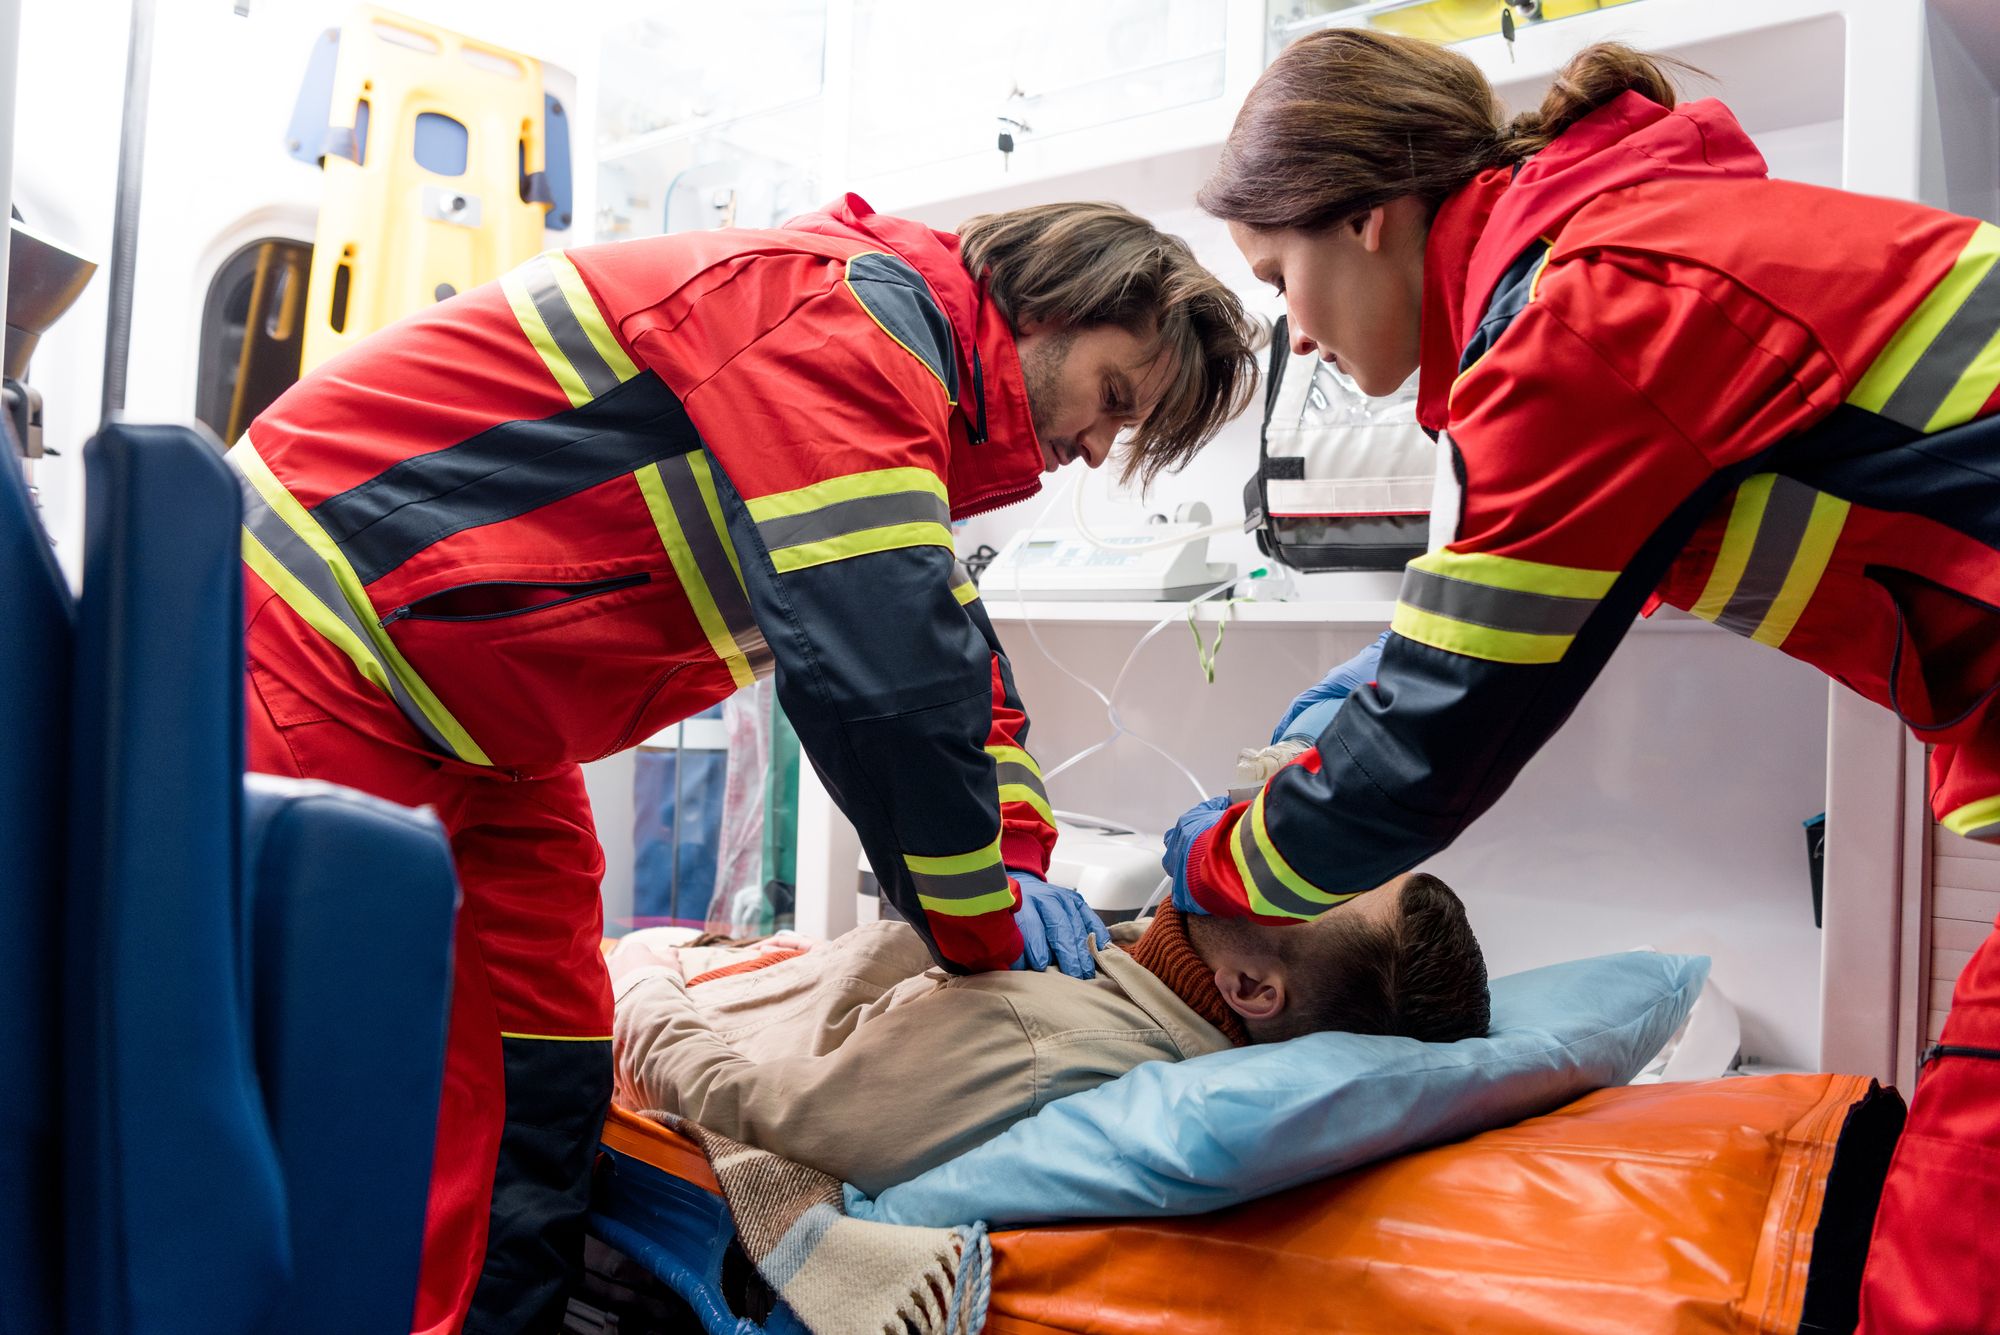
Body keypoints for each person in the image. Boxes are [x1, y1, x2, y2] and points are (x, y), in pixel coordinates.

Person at [232, 194, 1256, 1333]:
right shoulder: (840, 323)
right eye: (1112, 398)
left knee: (550, 1049)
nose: (1097, 446)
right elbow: (891, 686)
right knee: (342, 1058)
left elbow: (954, 659)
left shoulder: (887, 388)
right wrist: (977, 920)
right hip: (318, 636)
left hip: (481, 725)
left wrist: (1017, 856)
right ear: (1049, 306)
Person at [1164, 29, 2000, 1331]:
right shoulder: (1604, 260)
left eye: (1283, 278)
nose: (1300, 336)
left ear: (1370, 219)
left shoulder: (1583, 314)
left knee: (1958, 1234)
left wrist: (1205, 870)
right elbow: (1485, 627)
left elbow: (1432, 739)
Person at [609, 871, 1489, 1194]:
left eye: (1314, 882)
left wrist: (640, 975)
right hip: (748, 968)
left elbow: (752, 1112)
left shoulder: (1037, 1042)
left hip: (665, 994)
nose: (1277, 843)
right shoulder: (1133, 973)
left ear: (1253, 987)